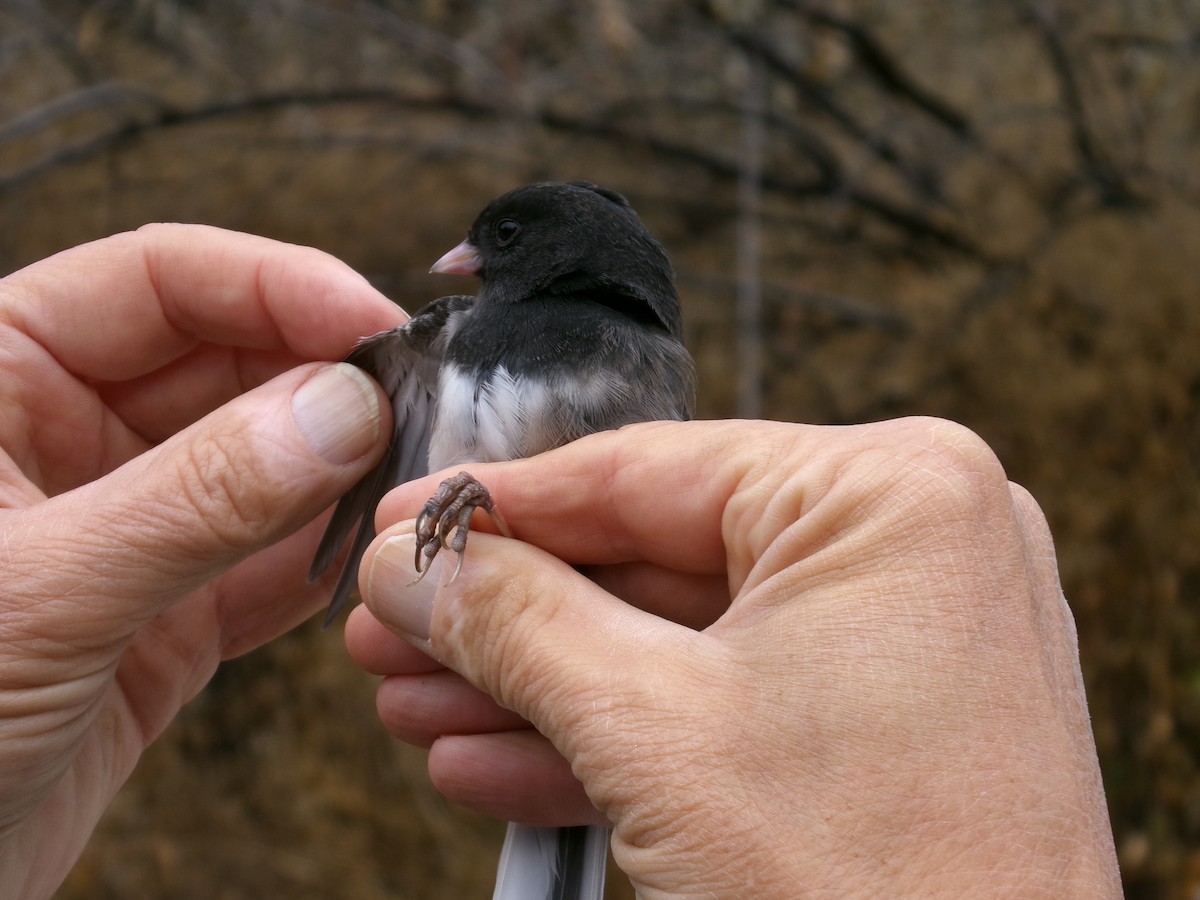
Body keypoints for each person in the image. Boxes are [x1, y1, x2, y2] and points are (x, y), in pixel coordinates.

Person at [0, 225, 1120, 898]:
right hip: (480, 582)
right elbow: (398, 420)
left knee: (574, 778)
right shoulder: (440, 340)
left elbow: (612, 494)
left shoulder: (643, 353)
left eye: (498, 243)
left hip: (600, 595)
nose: (468, 259)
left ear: (555, 254)